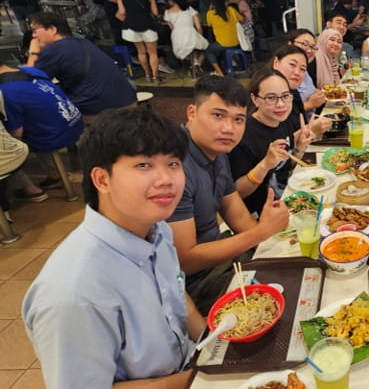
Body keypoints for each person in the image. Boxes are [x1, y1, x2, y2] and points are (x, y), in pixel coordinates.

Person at [22, 107, 205, 387]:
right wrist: (200, 379)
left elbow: (177, 296)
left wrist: (218, 349)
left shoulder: (157, 232)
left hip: (189, 368)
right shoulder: (75, 294)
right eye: (143, 165)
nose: (166, 179)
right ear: (101, 179)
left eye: (173, 163)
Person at [166, 75, 289, 315]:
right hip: (192, 286)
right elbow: (185, 260)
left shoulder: (218, 151)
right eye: (218, 115)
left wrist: (268, 237)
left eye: (238, 119)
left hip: (221, 259)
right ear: (192, 112)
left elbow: (237, 215)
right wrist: (262, 232)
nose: (228, 128)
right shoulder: (173, 168)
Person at [230, 68, 313, 215]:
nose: (281, 104)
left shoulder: (281, 120)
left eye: (285, 96)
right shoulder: (243, 135)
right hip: (260, 215)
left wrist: (299, 147)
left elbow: (284, 167)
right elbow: (237, 193)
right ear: (255, 99)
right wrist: (265, 165)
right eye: (271, 98)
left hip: (288, 199)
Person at [26, 12, 136, 117]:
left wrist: (33, 53)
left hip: (102, 110)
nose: (33, 36)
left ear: (52, 29)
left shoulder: (54, 49)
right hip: (128, 100)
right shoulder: (82, 42)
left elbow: (29, 84)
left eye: (35, 30)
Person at [0, 62, 83, 188]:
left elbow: (16, 133)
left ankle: (39, 184)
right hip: (75, 121)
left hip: (53, 136)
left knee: (7, 150)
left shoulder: (4, 92)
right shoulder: (31, 71)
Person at [271, 44, 331, 135]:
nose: (297, 73)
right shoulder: (267, 94)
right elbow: (277, 142)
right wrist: (310, 129)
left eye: (302, 69)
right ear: (276, 62)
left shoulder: (293, 92)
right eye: (292, 65)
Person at [117, 0, 161, 84]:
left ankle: (147, 74)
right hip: (147, 25)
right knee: (153, 53)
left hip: (131, 27)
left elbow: (121, 12)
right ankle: (156, 76)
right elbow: (155, 12)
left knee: (141, 52)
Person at [164, 0, 208, 70]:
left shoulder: (167, 12)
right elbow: (198, 26)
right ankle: (197, 64)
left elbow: (172, 28)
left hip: (177, 38)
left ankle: (194, 64)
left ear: (170, 1)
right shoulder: (190, 9)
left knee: (190, 48)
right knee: (204, 47)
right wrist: (200, 36)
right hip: (191, 34)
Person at [205, 0, 243, 76]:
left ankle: (219, 71)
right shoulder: (231, 10)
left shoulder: (210, 14)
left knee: (209, 50)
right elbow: (242, 20)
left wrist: (210, 9)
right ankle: (231, 64)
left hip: (223, 44)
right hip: (236, 42)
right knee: (222, 50)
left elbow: (209, 25)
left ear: (211, 3)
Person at [288, 29, 326, 113]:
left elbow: (311, 89)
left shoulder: (304, 70)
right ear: (290, 44)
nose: (309, 50)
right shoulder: (281, 75)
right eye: (304, 44)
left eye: (313, 47)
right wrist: (309, 104)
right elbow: (280, 114)